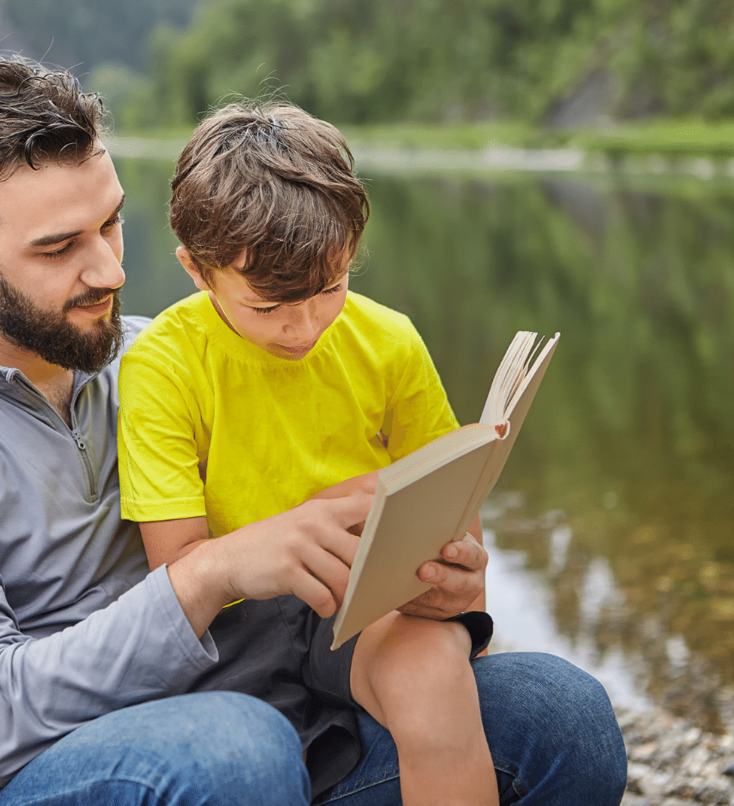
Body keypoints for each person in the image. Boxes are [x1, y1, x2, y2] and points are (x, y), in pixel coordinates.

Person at [0, 53, 628, 806]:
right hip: (13, 778)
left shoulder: (164, 357)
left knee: (563, 718)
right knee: (235, 753)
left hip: (252, 723)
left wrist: (423, 576)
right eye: (59, 248)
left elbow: (301, 580)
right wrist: (211, 574)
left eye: (111, 225)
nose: (111, 271)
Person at [116, 101, 496, 805]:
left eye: (331, 288)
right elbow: (177, 576)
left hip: (362, 604)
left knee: (436, 678)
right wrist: (311, 517)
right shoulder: (163, 365)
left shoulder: (389, 342)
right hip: (235, 630)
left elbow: (458, 525)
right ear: (197, 271)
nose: (304, 325)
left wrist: (456, 576)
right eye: (267, 306)